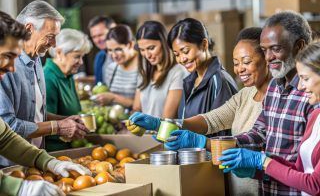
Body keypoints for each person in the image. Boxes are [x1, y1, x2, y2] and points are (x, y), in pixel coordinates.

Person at [130, 27, 270, 196]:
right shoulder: (245, 95)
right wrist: (162, 124)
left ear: (267, 58)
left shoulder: (277, 101)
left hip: (262, 189)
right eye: (235, 63)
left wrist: (201, 142)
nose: (239, 69)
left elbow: (257, 147)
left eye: (246, 62)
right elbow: (210, 120)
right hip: (238, 189)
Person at [0, 10, 91, 196]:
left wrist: (49, 162)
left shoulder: (36, 64)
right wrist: (18, 187)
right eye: (8, 56)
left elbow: (5, 137)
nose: (11, 68)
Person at [219, 42, 320, 196]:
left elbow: (314, 184)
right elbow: (298, 170)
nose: (299, 87)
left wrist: (263, 162)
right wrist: (257, 170)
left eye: (305, 78)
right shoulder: (316, 116)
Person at [129, 18, 238, 136]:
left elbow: (223, 137)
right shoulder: (190, 81)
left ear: (204, 44)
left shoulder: (219, 81)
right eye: (177, 54)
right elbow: (185, 123)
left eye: (185, 51)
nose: (182, 59)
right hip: (191, 154)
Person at [44, 29, 92, 151]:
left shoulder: (68, 75)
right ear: (59, 53)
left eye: (82, 57)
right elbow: (44, 121)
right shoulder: (48, 78)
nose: (81, 62)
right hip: (55, 151)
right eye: (77, 56)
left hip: (71, 148)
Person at [133, 21, 188, 118]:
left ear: (164, 43)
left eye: (151, 48)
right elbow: (136, 108)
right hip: (143, 132)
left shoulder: (178, 72)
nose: (147, 55)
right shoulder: (144, 71)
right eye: (142, 50)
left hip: (163, 132)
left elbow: (167, 118)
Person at [95, 25, 139, 108]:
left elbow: (145, 105)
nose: (114, 55)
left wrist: (113, 98)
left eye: (118, 49)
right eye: (110, 50)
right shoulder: (111, 68)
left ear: (130, 44)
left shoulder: (144, 68)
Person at [88, 16, 116, 84]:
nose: (97, 40)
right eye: (94, 37)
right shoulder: (100, 56)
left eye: (100, 35)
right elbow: (98, 83)